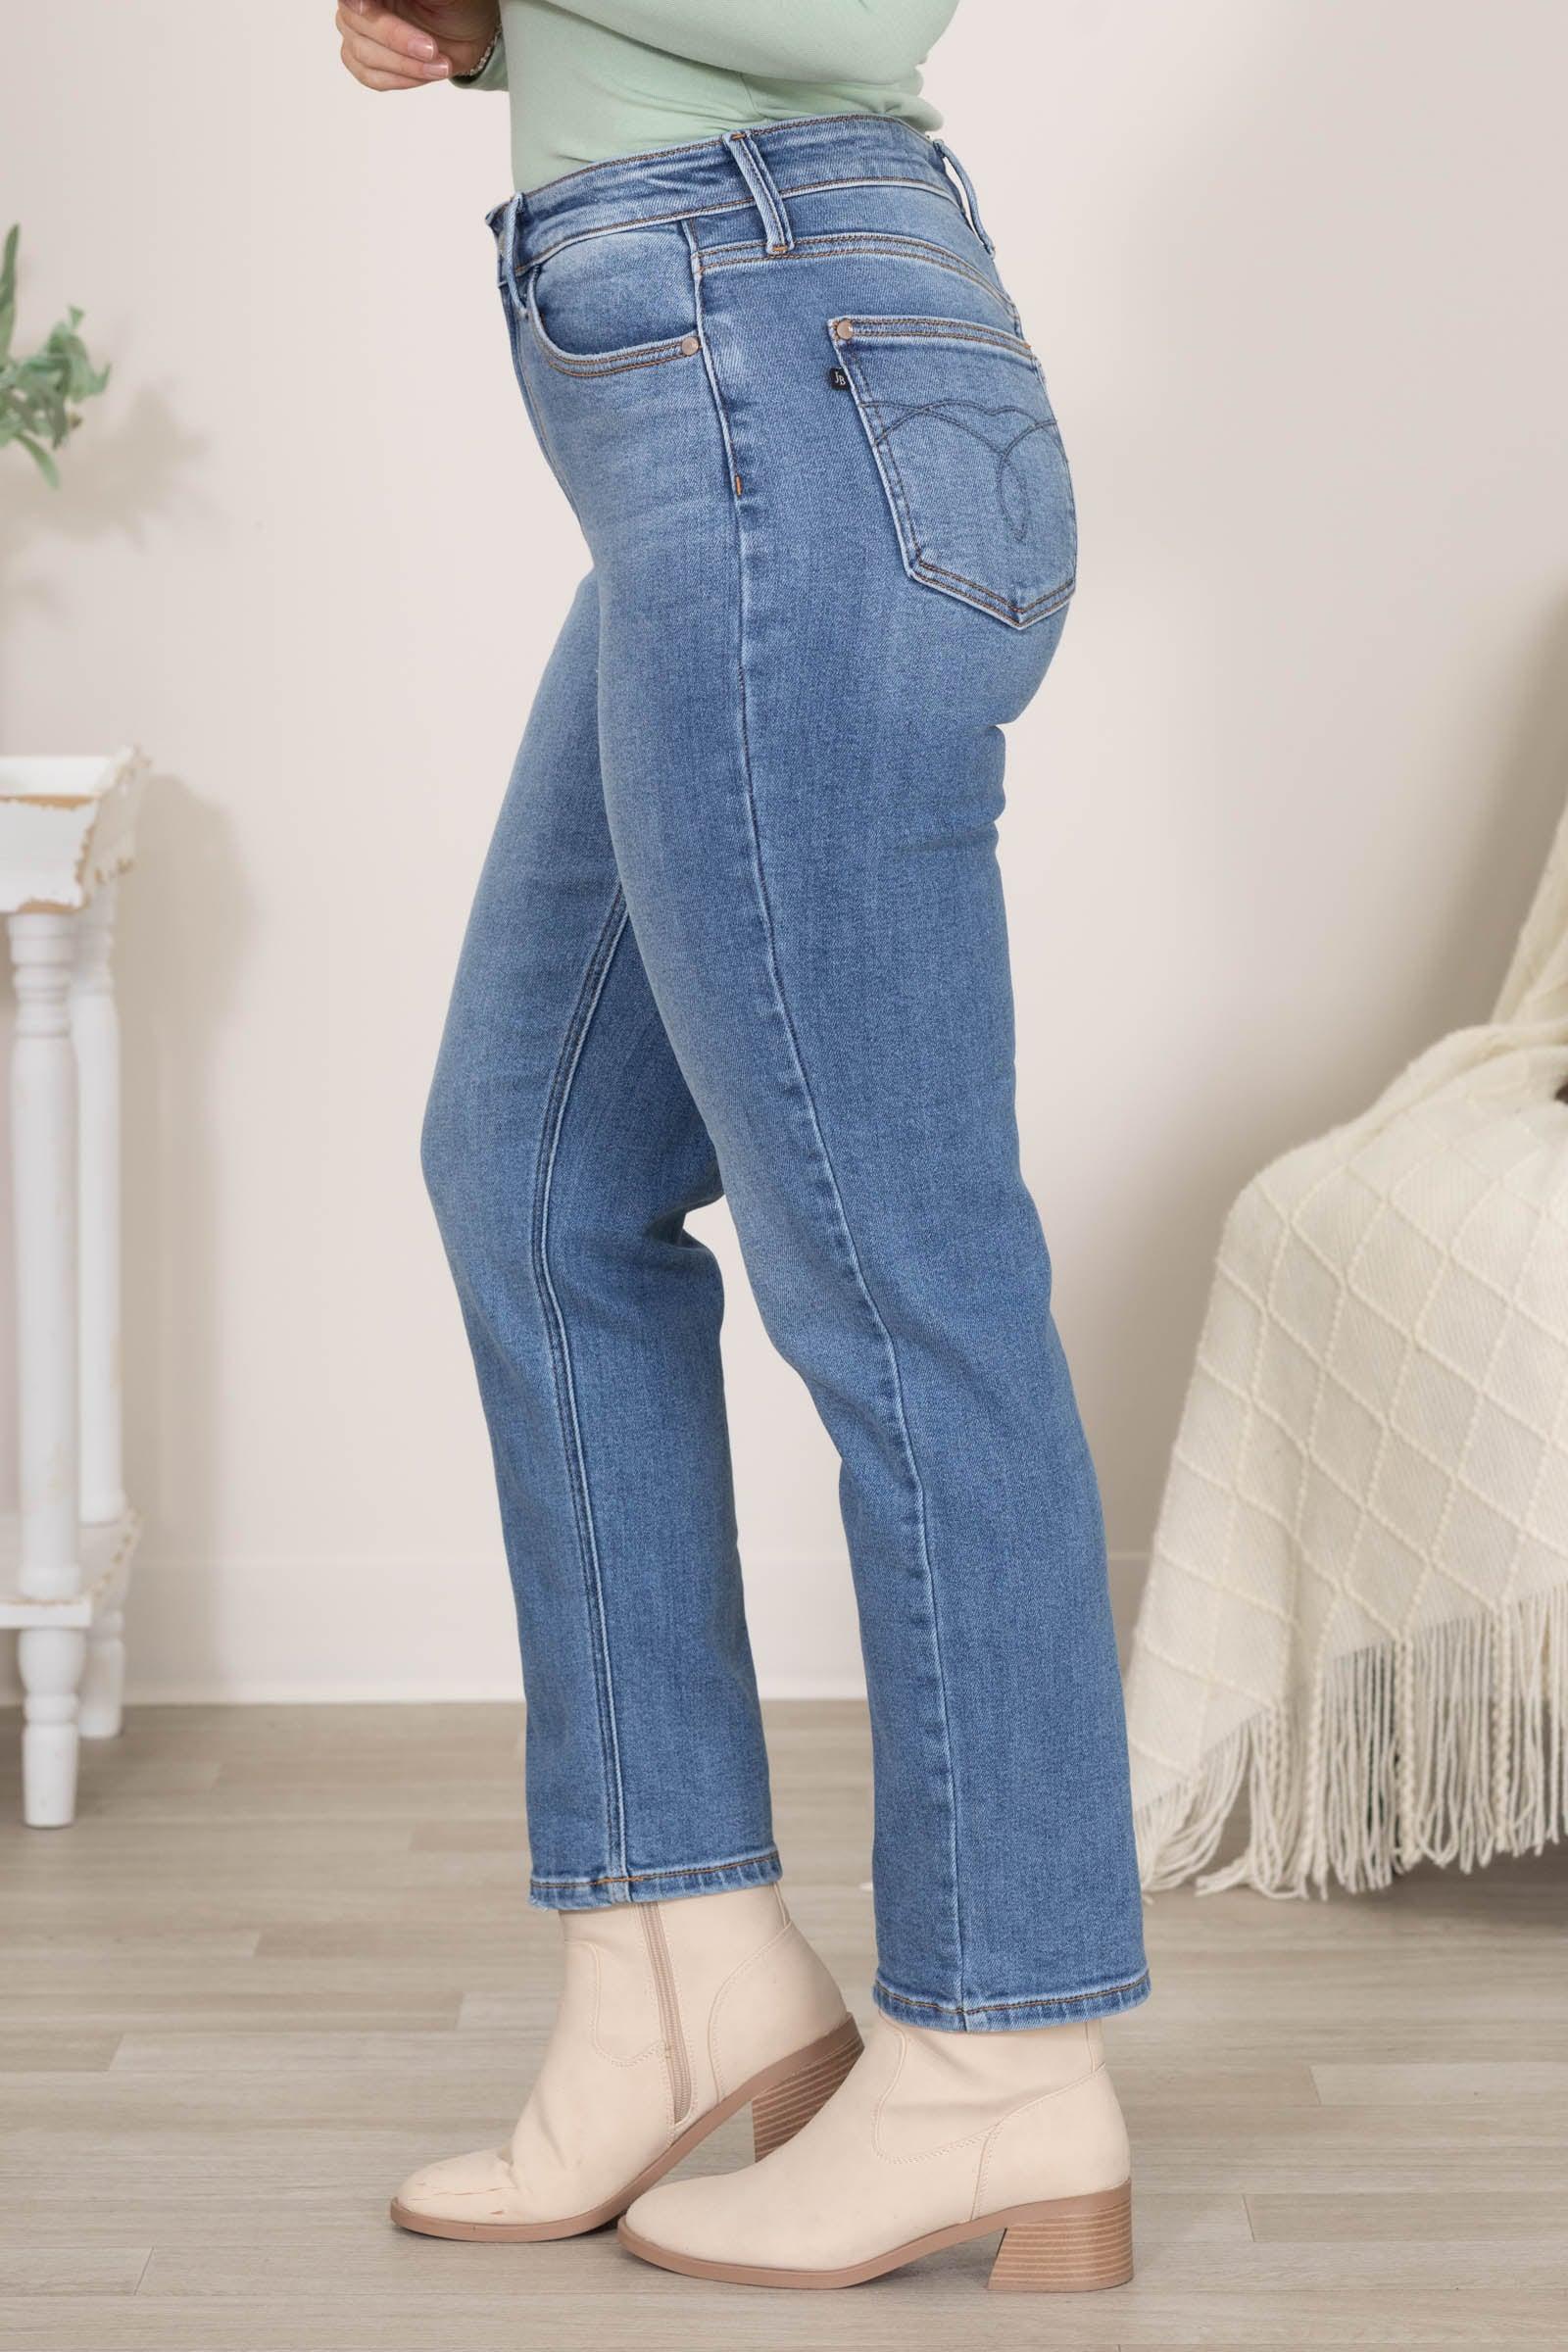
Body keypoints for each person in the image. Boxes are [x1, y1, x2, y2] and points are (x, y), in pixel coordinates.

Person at [338, 0, 1148, 2294]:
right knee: (531, 1173)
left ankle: (1001, 2057)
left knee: (898, 1269)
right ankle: (674, 1961)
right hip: (714, 381)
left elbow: (847, 12)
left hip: (781, 357)